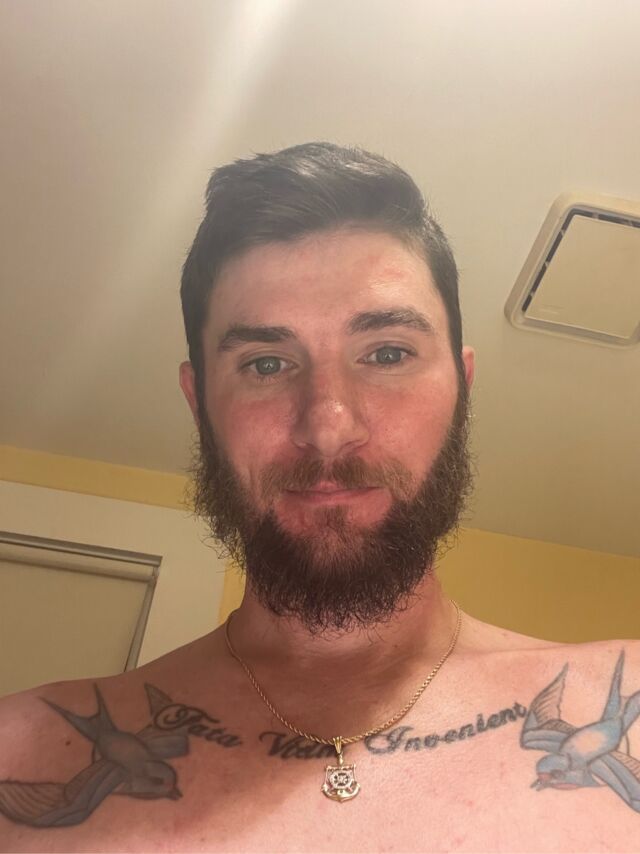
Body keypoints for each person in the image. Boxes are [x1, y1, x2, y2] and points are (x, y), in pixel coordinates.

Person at [1, 142, 638, 852]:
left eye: (388, 353)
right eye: (266, 363)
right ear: (199, 402)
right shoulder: (18, 756)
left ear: (461, 389)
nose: (329, 425)